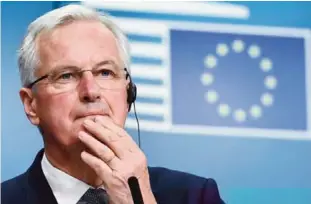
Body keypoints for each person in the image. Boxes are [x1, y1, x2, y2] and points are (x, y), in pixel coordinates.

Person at [1, 4, 224, 204]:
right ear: (31, 105)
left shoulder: (196, 196)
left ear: (129, 93)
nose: (91, 91)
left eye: (105, 72)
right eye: (66, 75)